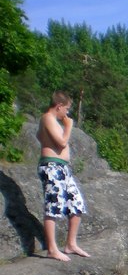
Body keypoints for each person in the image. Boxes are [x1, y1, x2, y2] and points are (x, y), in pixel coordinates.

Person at [36, 91, 90, 261]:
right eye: (66, 109)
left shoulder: (51, 121)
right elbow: (62, 142)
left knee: (76, 203)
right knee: (53, 205)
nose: (67, 113)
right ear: (59, 106)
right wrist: (68, 126)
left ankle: (70, 244)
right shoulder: (47, 118)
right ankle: (52, 249)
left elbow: (39, 136)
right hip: (51, 166)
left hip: (61, 167)